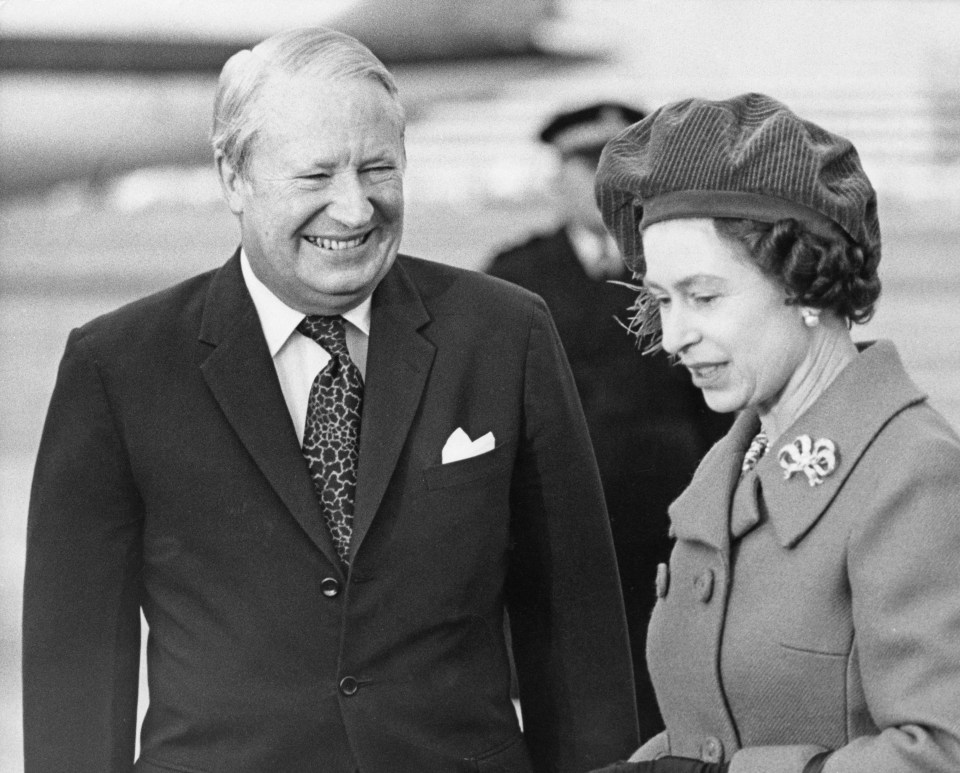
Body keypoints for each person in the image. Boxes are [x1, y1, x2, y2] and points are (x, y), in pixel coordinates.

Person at [22, 27, 640, 773]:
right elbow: (76, 673)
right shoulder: (116, 367)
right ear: (232, 177)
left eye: (378, 168)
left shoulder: (507, 333)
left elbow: (577, 640)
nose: (353, 210)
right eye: (315, 176)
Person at [586, 92, 960, 773]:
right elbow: (707, 731)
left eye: (703, 297)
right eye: (662, 301)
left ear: (806, 281)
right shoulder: (726, 466)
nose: (672, 337)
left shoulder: (915, 472)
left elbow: (941, 751)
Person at [488, 102, 730, 740]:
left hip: (675, 533)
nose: (600, 182)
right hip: (558, 536)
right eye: (582, 163)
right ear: (554, 178)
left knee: (673, 708)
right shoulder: (514, 276)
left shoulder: (687, 272)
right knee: (572, 713)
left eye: (617, 165)